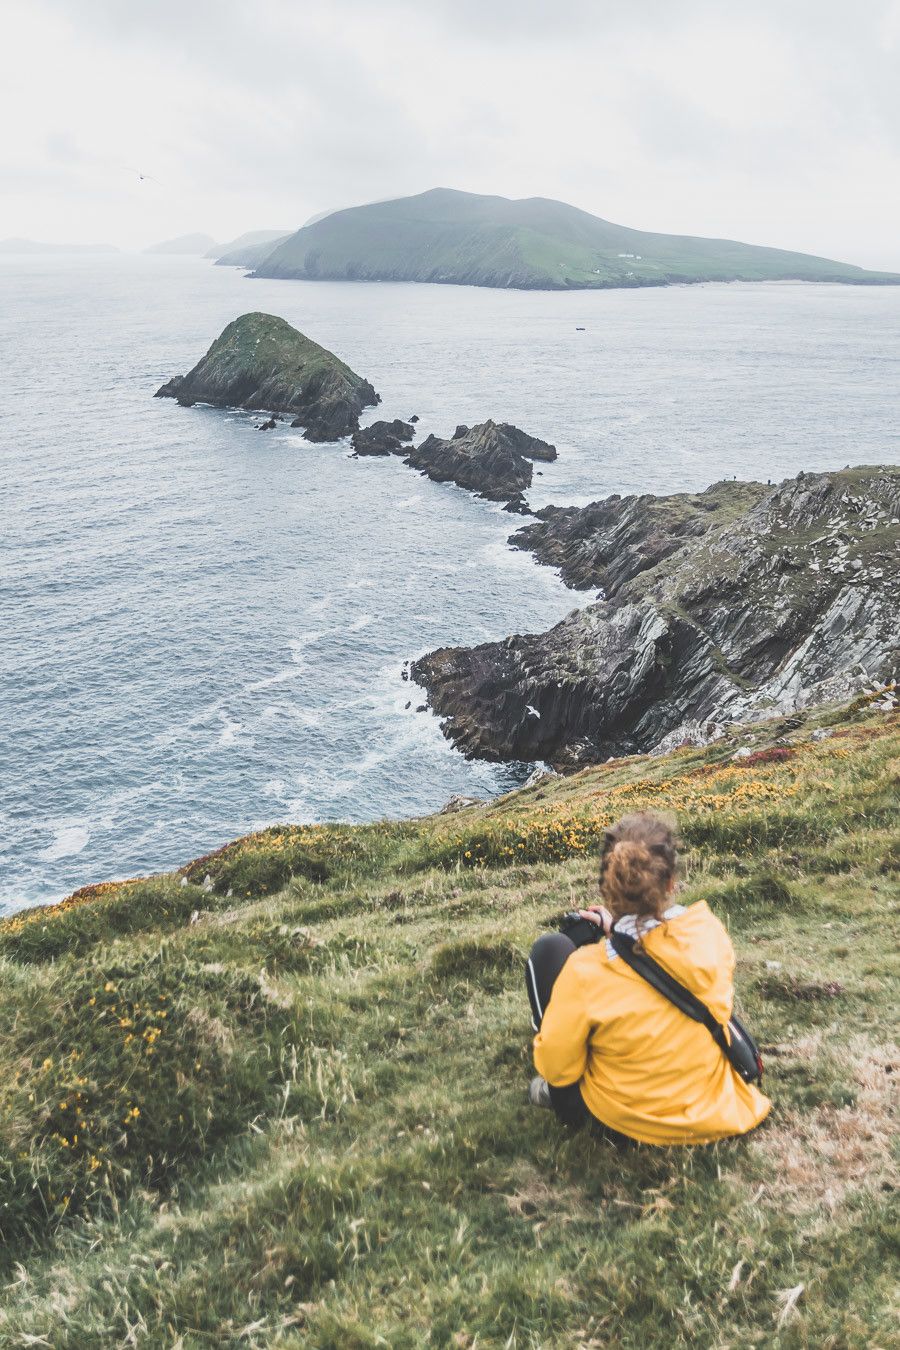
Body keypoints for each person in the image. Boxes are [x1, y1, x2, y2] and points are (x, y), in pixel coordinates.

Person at [525, 811, 771, 1146]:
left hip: (625, 1126)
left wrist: (616, 936)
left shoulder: (586, 971)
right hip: (716, 1112)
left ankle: (554, 1097)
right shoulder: (707, 933)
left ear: (607, 888)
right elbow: (659, 961)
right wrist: (623, 935)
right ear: (671, 882)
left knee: (550, 949)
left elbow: (558, 1069)